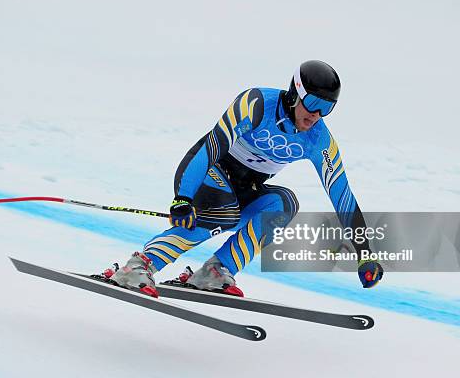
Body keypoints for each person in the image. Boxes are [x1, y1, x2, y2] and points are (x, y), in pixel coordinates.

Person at [100, 60, 384, 298]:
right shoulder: (257, 104)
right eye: (312, 103)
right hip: (205, 171)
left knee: (283, 205)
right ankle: (139, 265)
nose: (316, 114)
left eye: (327, 108)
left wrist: (365, 253)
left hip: (243, 189)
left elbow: (343, 197)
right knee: (223, 211)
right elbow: (212, 147)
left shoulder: (318, 139)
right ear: (295, 92)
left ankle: (215, 271)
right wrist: (183, 198)